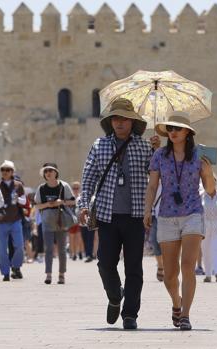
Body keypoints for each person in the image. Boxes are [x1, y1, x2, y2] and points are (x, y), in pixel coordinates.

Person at [78, 98, 159, 330]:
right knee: (105, 263)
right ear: (110, 122)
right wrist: (83, 205)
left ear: (132, 122)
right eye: (116, 118)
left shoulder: (144, 147)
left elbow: (156, 176)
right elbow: (88, 178)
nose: (120, 122)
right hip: (107, 215)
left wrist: (157, 151)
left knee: (134, 267)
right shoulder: (99, 145)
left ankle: (130, 314)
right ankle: (115, 297)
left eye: (124, 118)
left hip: (135, 215)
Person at [143, 112, 215, 330]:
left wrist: (209, 173)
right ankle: (177, 302)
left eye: (177, 129)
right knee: (170, 274)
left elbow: (211, 191)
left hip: (193, 214)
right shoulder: (159, 156)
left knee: (188, 267)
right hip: (166, 215)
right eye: (170, 129)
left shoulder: (199, 155)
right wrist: (147, 209)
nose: (172, 132)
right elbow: (153, 185)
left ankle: (185, 315)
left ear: (187, 133)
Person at [35, 163, 76, 284]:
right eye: (46, 171)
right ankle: (48, 275)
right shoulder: (41, 188)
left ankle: (61, 274)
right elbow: (37, 205)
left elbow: (73, 202)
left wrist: (61, 202)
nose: (48, 173)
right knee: (48, 249)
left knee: (62, 249)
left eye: (50, 171)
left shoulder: (64, 186)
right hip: (47, 221)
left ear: (56, 172)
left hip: (61, 220)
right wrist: (48, 204)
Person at [0, 160, 27, 281]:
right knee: (2, 249)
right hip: (1, 222)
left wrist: (17, 199)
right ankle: (5, 273)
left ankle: (16, 266)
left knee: (19, 246)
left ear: (12, 172)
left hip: (15, 220)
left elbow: (24, 201)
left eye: (7, 170)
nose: (5, 172)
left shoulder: (18, 185)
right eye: (3, 170)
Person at [73, 182, 96, 263]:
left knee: (90, 238)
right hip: (82, 223)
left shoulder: (93, 198)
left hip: (91, 222)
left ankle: (89, 254)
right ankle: (87, 254)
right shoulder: (79, 198)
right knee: (85, 239)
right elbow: (78, 209)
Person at [149, 185, 164, 282]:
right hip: (154, 217)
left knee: (167, 243)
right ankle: (160, 265)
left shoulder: (166, 180)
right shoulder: (149, 183)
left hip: (167, 215)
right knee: (154, 242)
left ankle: (166, 267)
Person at [68, 182, 85, 261]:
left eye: (77, 188)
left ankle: (80, 252)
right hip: (71, 220)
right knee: (71, 238)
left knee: (79, 238)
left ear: (79, 188)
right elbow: (66, 204)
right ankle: (73, 254)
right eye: (74, 188)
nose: (75, 190)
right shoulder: (70, 197)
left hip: (79, 220)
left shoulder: (81, 197)